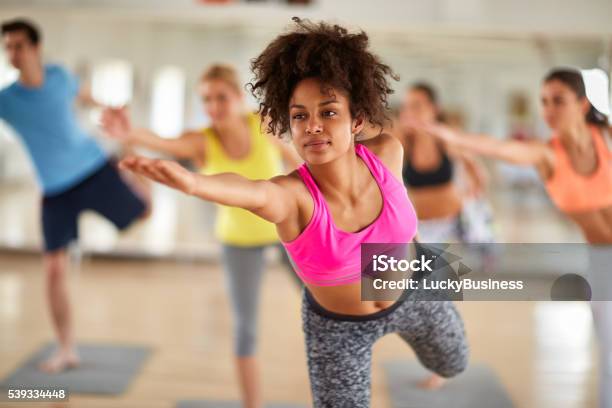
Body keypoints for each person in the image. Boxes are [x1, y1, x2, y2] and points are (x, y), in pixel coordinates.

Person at [117, 18, 468, 407]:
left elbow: (404, 223)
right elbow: (252, 191)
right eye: (300, 115)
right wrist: (194, 183)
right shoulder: (293, 196)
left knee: (455, 364)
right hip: (340, 332)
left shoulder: (388, 152)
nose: (313, 126)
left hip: (416, 291)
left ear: (357, 119)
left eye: (329, 112)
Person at [101, 63, 301, 408]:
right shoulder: (202, 141)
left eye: (221, 97)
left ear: (239, 97)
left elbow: (297, 159)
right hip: (237, 241)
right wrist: (128, 133)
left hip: (287, 230)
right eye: (206, 99)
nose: (214, 106)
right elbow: (163, 142)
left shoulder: (263, 124)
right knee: (245, 330)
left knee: (325, 301)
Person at [409, 68, 612, 407]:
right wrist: (448, 134)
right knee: (609, 351)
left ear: (582, 104)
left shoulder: (606, 138)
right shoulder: (547, 155)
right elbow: (496, 148)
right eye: (543, 102)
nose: (548, 110)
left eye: (557, 101)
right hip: (602, 259)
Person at [0, 19, 150, 373]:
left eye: (19, 45)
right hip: (54, 191)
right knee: (53, 270)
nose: (13, 53)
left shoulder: (60, 77)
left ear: (36, 48)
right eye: (8, 47)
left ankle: (136, 176)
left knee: (144, 212)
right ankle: (67, 349)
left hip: (94, 169)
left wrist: (110, 110)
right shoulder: (6, 101)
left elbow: (88, 98)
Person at [397, 82, 494, 244]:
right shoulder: (401, 142)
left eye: (417, 105)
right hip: (419, 230)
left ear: (434, 108)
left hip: (451, 227)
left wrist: (471, 196)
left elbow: (479, 175)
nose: (410, 112)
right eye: (406, 106)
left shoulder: (447, 140)